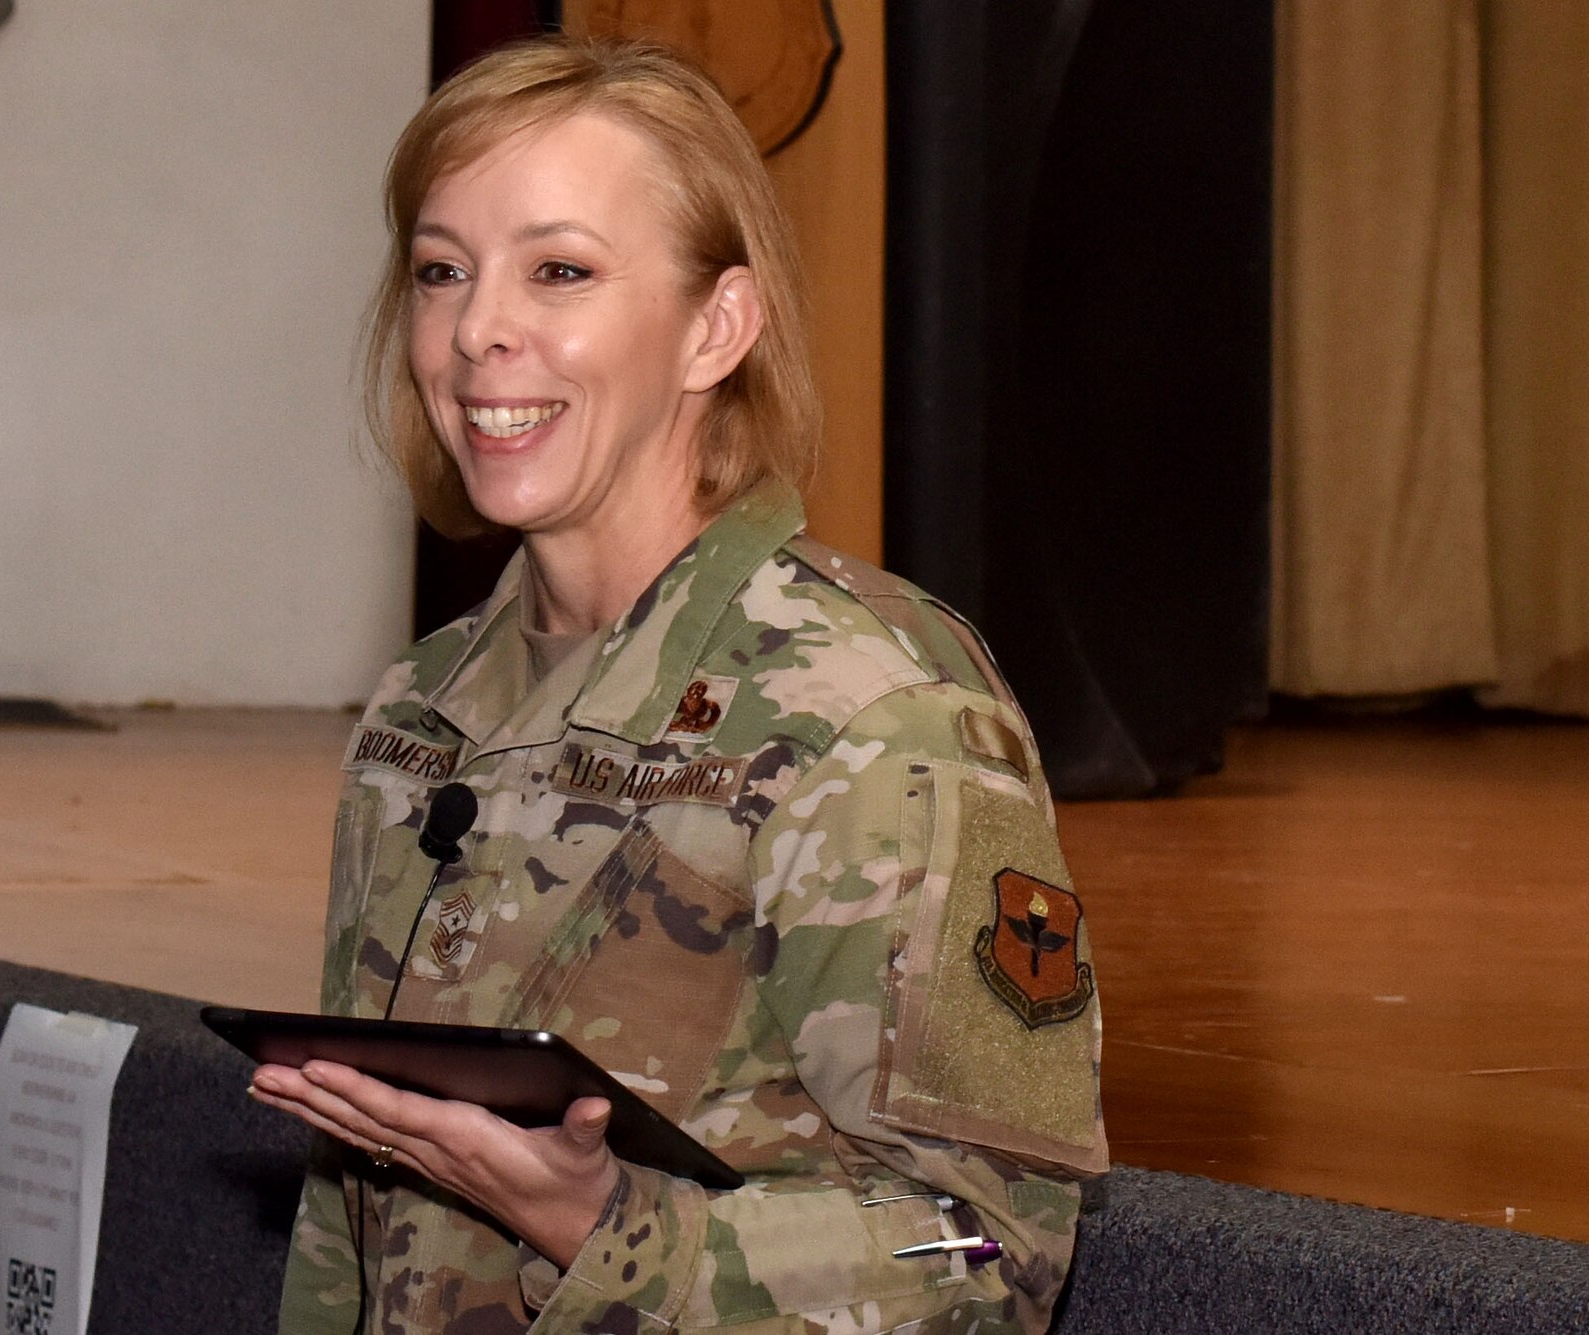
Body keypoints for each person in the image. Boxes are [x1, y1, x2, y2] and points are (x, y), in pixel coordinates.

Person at [247, 37, 1107, 1334]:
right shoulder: (419, 719)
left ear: (716, 327)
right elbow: (350, 1225)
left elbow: (989, 1257)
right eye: (441, 272)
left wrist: (603, 1229)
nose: (479, 329)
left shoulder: (873, 710)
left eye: (560, 271)